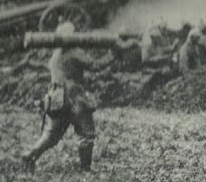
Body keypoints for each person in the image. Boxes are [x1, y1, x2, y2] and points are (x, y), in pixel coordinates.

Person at [21, 22, 131, 171]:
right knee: (86, 132)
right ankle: (85, 169)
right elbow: (95, 65)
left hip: (56, 100)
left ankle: (30, 154)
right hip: (74, 99)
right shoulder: (74, 52)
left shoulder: (56, 53)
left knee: (51, 135)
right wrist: (113, 54)